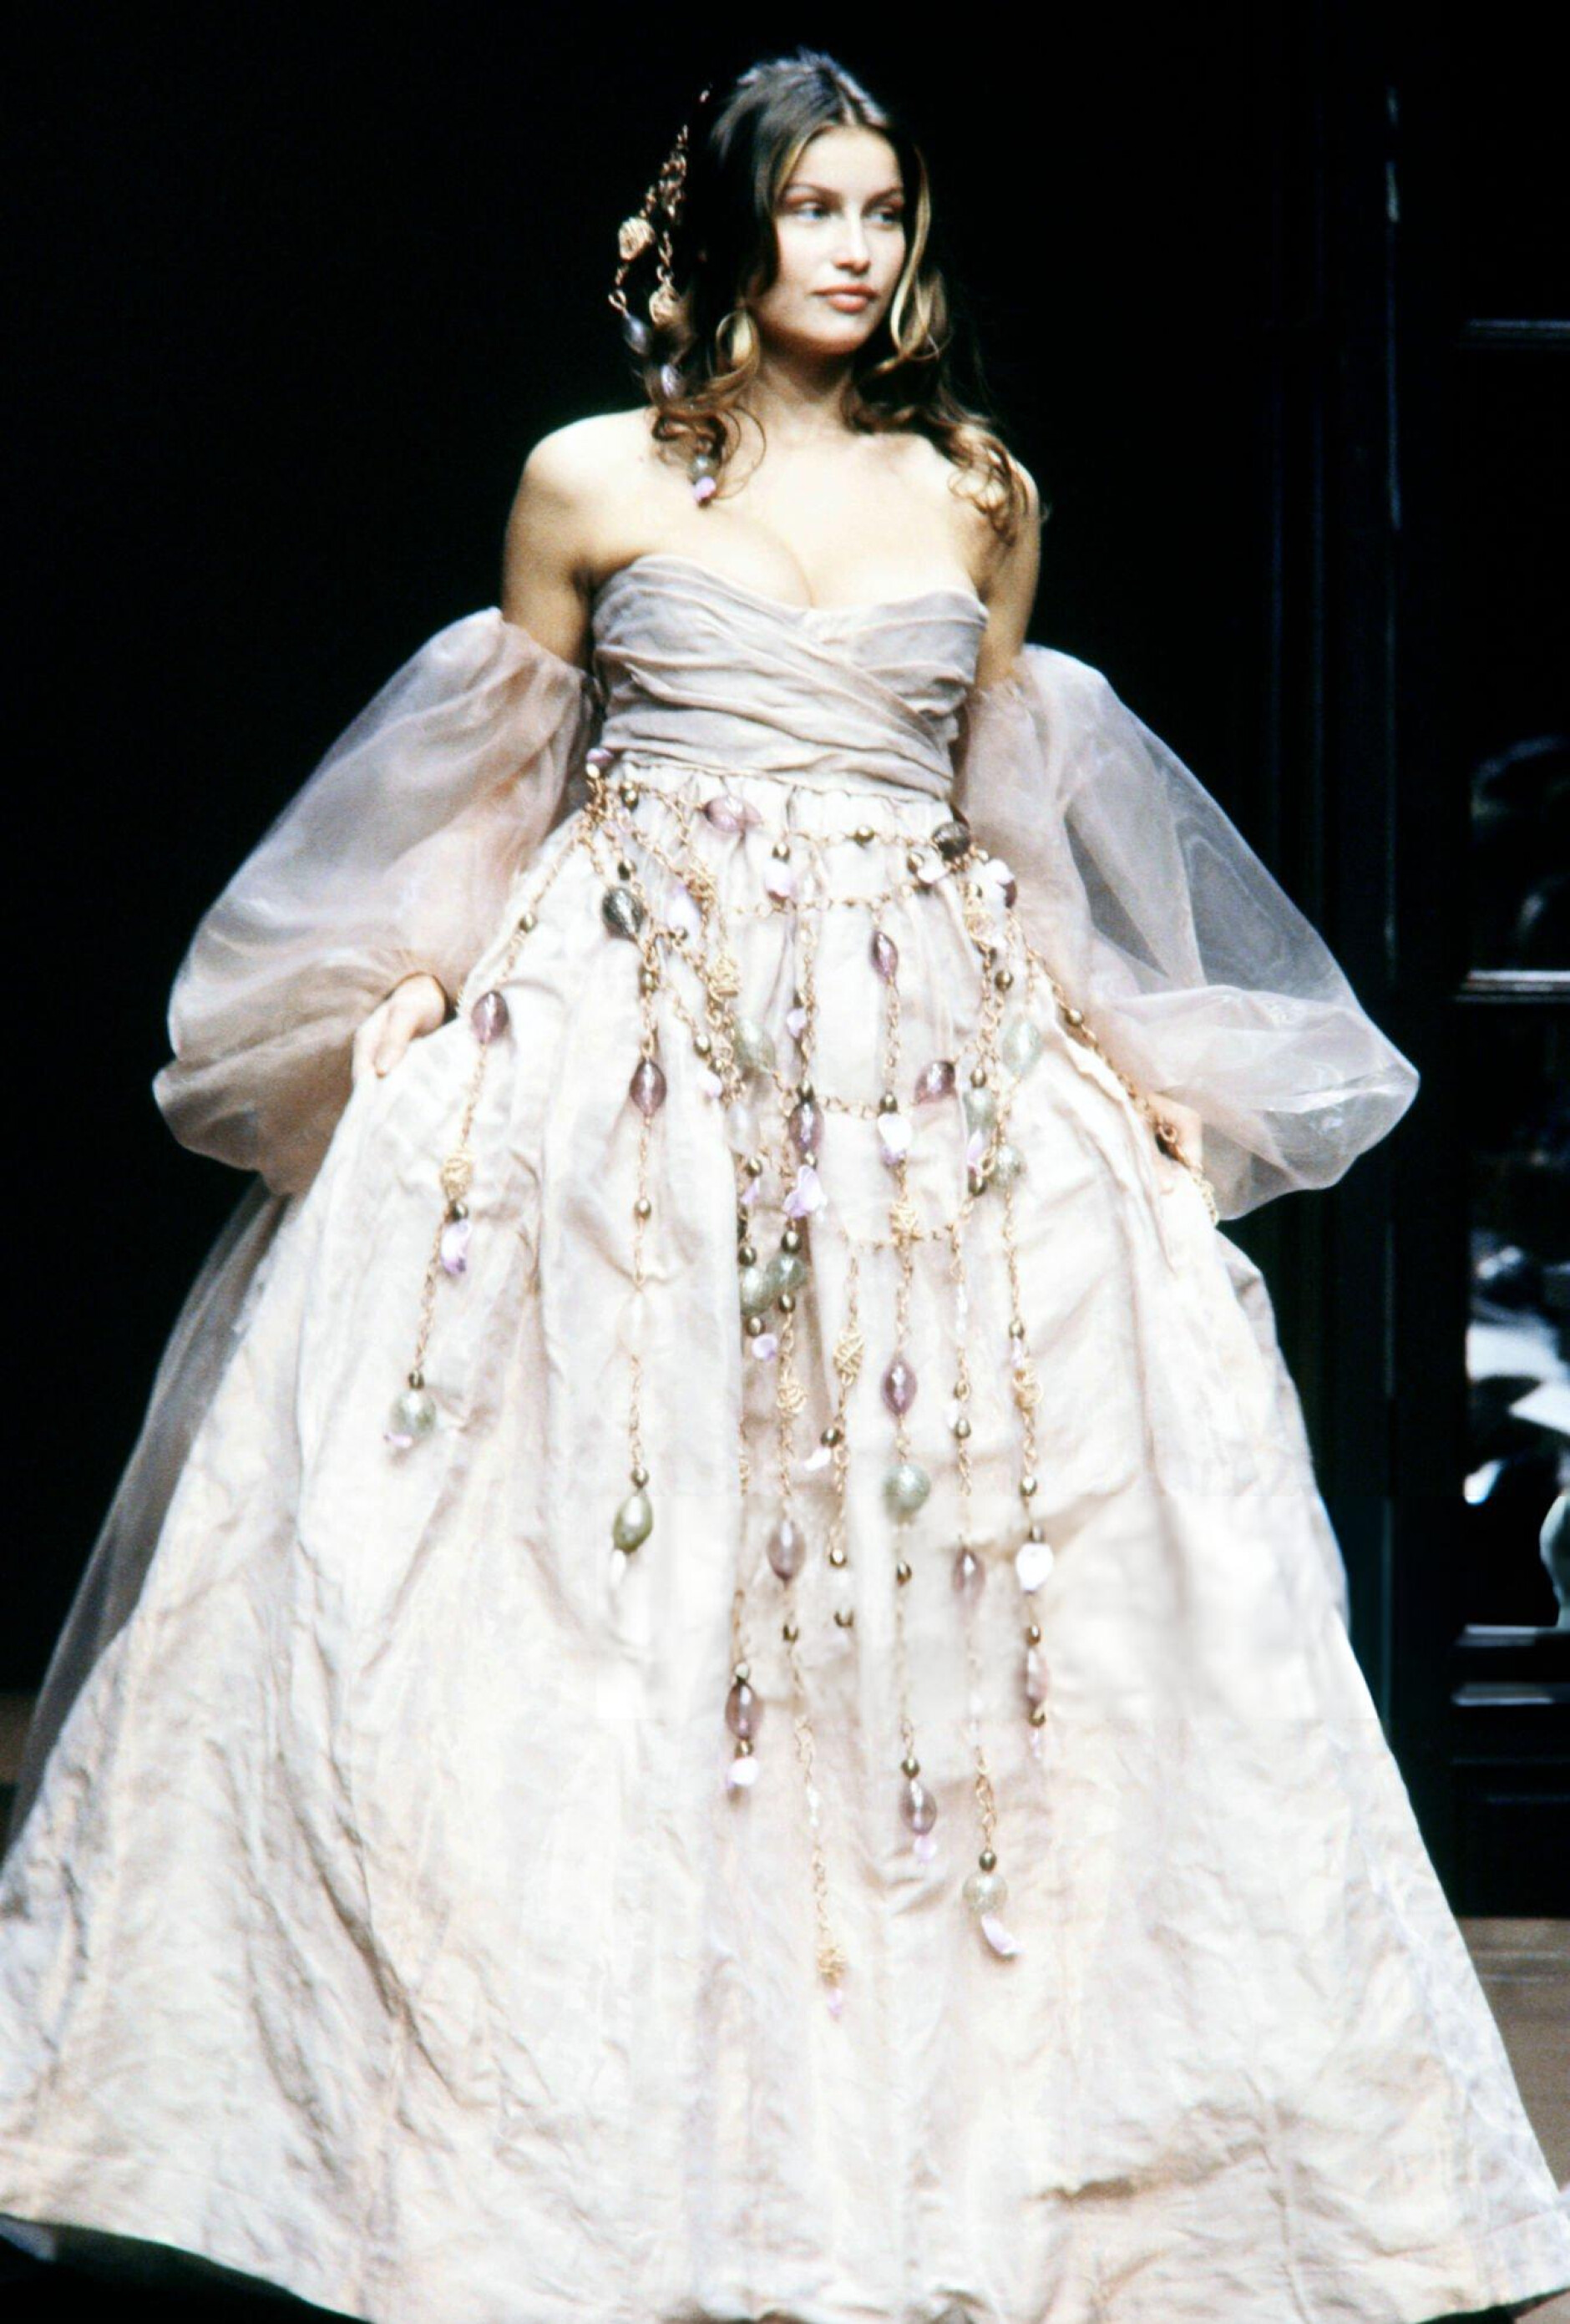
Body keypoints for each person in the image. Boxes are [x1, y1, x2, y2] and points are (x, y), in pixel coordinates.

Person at [2, 44, 1567, 2324]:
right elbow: (488, 789)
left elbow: (1014, 813)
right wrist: (409, 988)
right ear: (732, 231)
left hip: (925, 1071)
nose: (854, 247)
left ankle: (1002, 2154)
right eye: (816, 206)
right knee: (583, 1564)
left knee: (991, 1563)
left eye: (882, 209)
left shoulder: (977, 494)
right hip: (628, 1049)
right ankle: (506, 2162)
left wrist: (1127, 1060)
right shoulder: (590, 481)